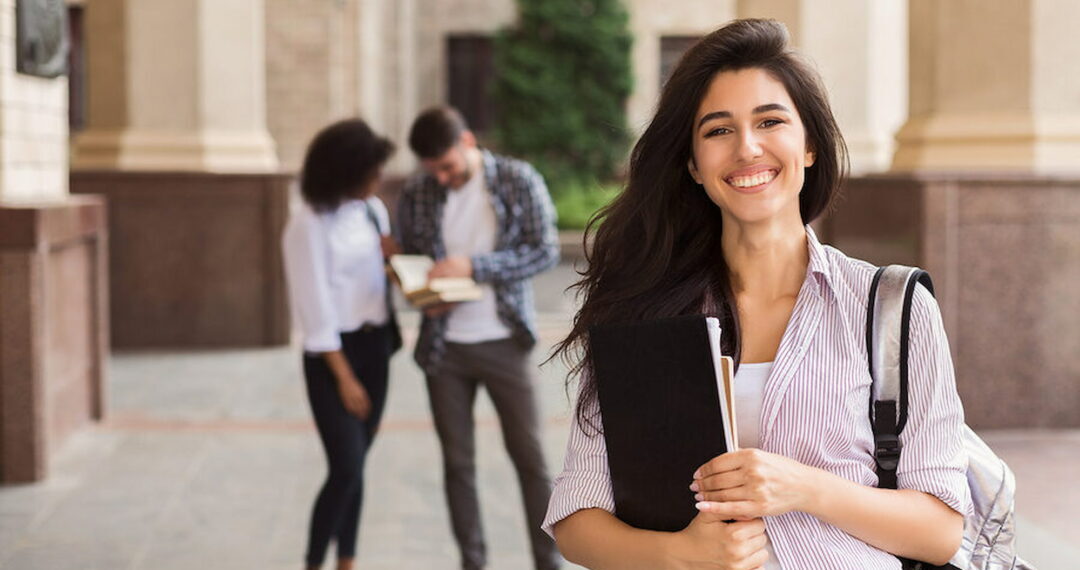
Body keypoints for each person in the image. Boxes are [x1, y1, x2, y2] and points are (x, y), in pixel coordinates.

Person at [543, 19, 970, 569]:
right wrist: (679, 554)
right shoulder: (643, 310)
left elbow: (940, 531)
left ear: (809, 145)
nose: (747, 148)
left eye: (770, 121)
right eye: (718, 130)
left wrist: (803, 487)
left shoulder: (890, 306)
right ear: (694, 165)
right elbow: (578, 518)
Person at [396, 106, 561, 570]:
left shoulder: (516, 178)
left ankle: (548, 562)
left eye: (448, 167)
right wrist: (425, 295)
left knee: (531, 461)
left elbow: (544, 250)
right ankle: (473, 562)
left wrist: (475, 267)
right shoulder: (417, 192)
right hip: (443, 349)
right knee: (458, 466)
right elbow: (410, 262)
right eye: (434, 171)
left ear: (468, 142)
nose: (443, 178)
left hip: (506, 341)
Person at [282, 118, 401, 570]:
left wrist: (393, 263)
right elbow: (315, 311)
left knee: (358, 465)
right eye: (370, 171)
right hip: (332, 358)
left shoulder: (372, 211)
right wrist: (345, 378)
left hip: (376, 350)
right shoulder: (307, 224)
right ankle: (314, 561)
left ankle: (346, 560)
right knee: (346, 466)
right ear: (343, 172)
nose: (379, 179)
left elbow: (374, 282)